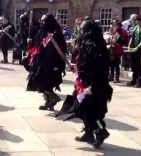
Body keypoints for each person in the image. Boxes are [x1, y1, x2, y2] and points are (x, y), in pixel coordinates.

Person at [70, 19, 113, 149]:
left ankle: (100, 132)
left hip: (93, 84)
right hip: (93, 82)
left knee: (87, 109)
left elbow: (90, 66)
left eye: (83, 29)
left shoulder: (91, 45)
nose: (81, 32)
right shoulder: (98, 44)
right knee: (83, 108)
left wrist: (80, 70)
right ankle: (89, 133)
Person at [24, 14, 67, 111]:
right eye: (42, 21)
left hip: (52, 63)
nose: (42, 23)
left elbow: (61, 49)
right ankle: (49, 102)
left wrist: (58, 65)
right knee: (39, 82)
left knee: (45, 83)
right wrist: (30, 42)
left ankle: (54, 98)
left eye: (44, 21)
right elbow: (37, 44)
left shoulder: (56, 33)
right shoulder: (41, 31)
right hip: (41, 61)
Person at [127, 15, 141, 88]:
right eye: (136, 20)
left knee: (139, 66)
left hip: (140, 49)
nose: (136, 21)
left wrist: (137, 47)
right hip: (133, 48)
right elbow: (132, 37)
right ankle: (134, 80)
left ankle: (139, 82)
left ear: (140, 21)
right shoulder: (136, 27)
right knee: (133, 65)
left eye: (137, 20)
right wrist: (130, 45)